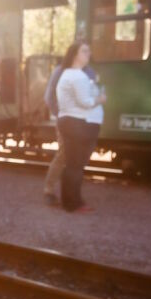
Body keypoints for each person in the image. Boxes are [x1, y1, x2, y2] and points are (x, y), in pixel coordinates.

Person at [55, 42, 106, 212]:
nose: (88, 54)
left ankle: (71, 201)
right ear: (75, 54)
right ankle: (73, 203)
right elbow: (85, 102)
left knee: (72, 165)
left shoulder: (69, 74)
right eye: (84, 51)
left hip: (72, 122)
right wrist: (100, 99)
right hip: (76, 123)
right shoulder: (77, 76)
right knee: (75, 166)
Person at [42, 61, 97, 205]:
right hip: (67, 119)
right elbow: (48, 96)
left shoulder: (89, 71)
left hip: (84, 120)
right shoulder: (60, 70)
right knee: (64, 154)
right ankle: (49, 190)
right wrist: (60, 113)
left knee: (78, 157)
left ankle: (71, 194)